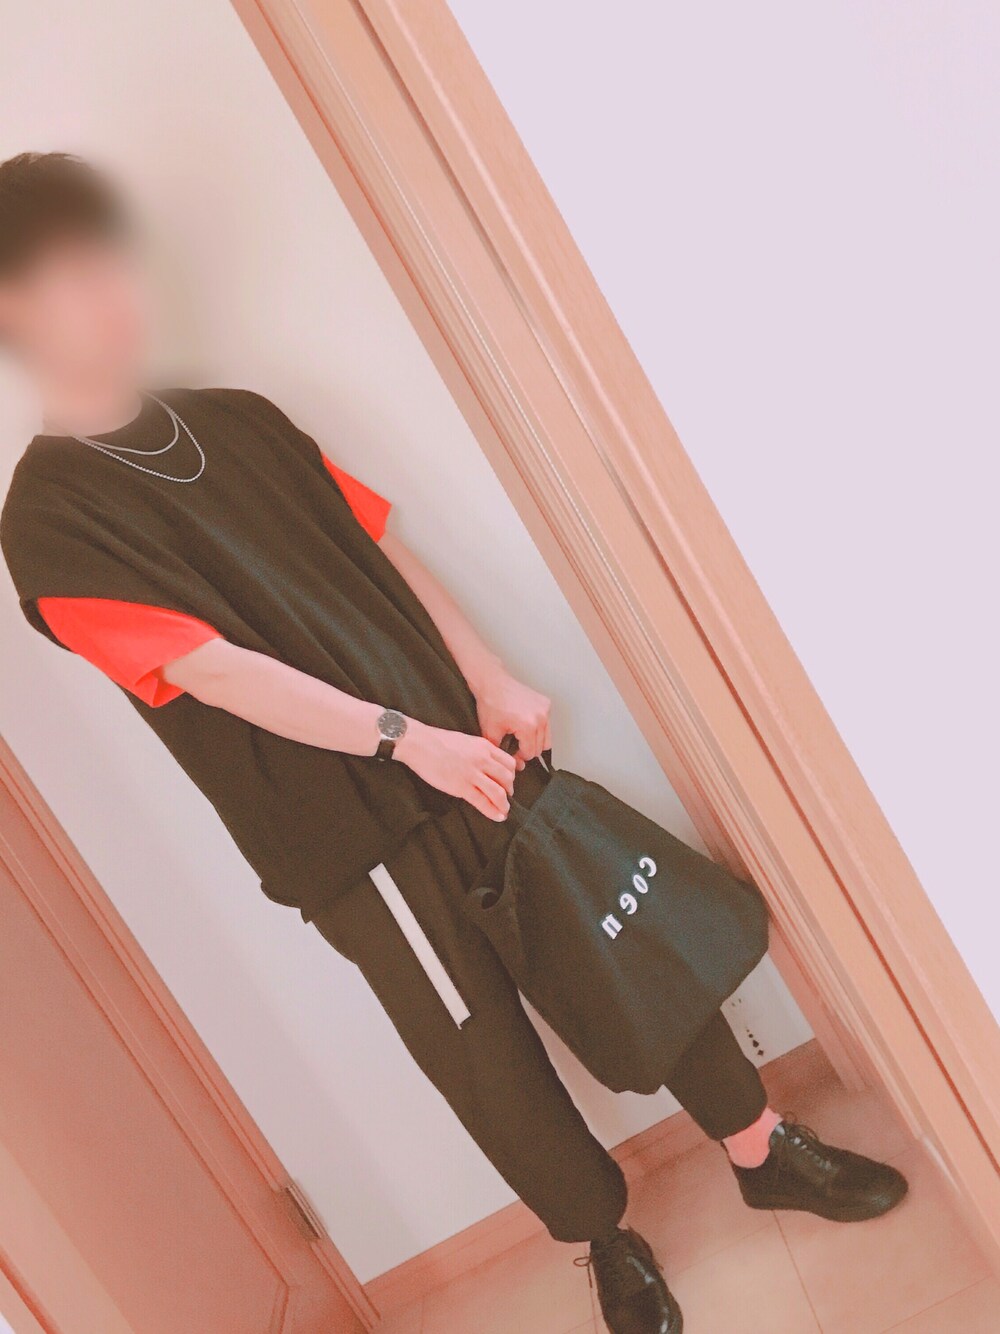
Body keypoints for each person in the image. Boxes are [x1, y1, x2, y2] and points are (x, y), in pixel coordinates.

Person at [0, 153, 907, 1334]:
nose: (115, 289)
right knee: (483, 1050)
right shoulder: (47, 521)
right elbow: (214, 672)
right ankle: (603, 1239)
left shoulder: (239, 420)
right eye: (76, 273)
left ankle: (759, 1143)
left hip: (471, 751)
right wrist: (402, 741)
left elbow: (381, 549)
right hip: (352, 834)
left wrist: (485, 674)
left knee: (615, 945)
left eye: (112, 257)